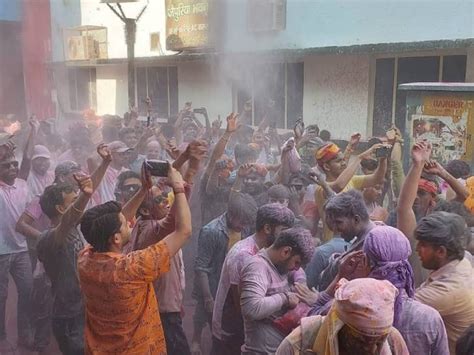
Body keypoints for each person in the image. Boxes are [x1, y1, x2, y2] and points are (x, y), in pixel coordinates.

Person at [77, 166, 191, 354]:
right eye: (125, 224)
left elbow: (114, 222)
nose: (131, 221)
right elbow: (184, 231)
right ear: (115, 238)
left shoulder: (85, 259)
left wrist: (143, 189)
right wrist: (178, 187)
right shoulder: (133, 267)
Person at [310, 225, 450, 355]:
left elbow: (311, 322)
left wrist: (340, 277)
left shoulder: (345, 309)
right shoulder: (429, 319)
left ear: (364, 262)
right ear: (405, 266)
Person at [125, 141, 206, 355]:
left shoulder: (146, 214)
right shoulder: (151, 231)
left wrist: (185, 158)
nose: (166, 200)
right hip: (162, 310)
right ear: (145, 211)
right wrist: (189, 174)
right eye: (160, 200)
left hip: (163, 304)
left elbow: (161, 184)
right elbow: (176, 218)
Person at [36, 144, 111, 355]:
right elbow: (72, 214)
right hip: (68, 316)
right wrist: (85, 196)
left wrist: (105, 163)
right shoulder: (49, 238)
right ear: (61, 208)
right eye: (73, 201)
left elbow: (89, 189)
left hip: (83, 306)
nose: (79, 203)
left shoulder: (73, 227)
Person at [211, 204, 296, 355]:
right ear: (267, 228)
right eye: (284, 231)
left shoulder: (268, 252)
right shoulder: (244, 255)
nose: (288, 237)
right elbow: (241, 306)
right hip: (232, 331)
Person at [191, 193, 258, 354]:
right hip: (212, 282)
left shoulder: (245, 227)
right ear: (231, 214)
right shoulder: (211, 231)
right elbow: (202, 267)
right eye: (242, 221)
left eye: (247, 222)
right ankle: (195, 339)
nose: (244, 226)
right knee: (203, 312)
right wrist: (208, 297)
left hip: (231, 281)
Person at [276, 278, 409, 355]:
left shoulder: (393, 341)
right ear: (338, 326)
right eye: (362, 341)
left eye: (378, 342)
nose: (372, 349)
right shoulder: (299, 344)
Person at [240, 227, 314, 354]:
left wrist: (301, 284)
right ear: (286, 251)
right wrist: (284, 298)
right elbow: (251, 308)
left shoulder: (282, 266)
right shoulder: (258, 267)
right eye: (297, 262)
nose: (296, 268)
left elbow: (299, 273)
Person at [413, 212, 474, 354]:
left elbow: (398, 311)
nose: (417, 249)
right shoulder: (462, 261)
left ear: (441, 251)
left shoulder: (445, 291)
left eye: (422, 244)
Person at [0, 121, 37, 351]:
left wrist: (34, 131)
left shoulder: (23, 184)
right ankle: (2, 336)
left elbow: (28, 159)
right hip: (1, 253)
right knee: (1, 297)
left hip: (21, 250)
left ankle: (24, 333)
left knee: (27, 291)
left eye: (14, 165)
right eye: (6, 166)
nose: (13, 168)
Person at [314, 140, 387, 242]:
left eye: (344, 160)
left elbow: (377, 178)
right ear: (326, 166)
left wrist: (383, 160)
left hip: (353, 242)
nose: (344, 163)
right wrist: (359, 157)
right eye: (339, 161)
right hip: (333, 243)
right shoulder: (321, 188)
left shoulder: (351, 180)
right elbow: (339, 185)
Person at [317, 189, 377, 290]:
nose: (334, 229)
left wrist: (320, 299)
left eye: (339, 222)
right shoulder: (362, 237)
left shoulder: (371, 245)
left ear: (356, 219)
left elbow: (356, 291)